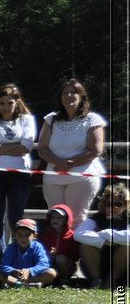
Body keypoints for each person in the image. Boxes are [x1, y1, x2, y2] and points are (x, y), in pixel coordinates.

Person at [36, 78, 107, 217]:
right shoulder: (51, 119)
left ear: (81, 96)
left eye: (73, 92)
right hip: (53, 178)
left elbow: (96, 150)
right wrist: (59, 163)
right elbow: (42, 148)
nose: (68, 96)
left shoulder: (92, 119)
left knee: (76, 219)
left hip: (82, 177)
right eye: (65, 93)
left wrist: (69, 164)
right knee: (55, 220)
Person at [0, 82, 37, 242]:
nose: (5, 107)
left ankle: (18, 251)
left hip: (19, 174)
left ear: (17, 103)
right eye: (2, 103)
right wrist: (14, 146)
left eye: (10, 103)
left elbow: (26, 146)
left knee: (16, 217)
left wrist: (1, 147)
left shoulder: (27, 120)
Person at [78, 184, 130, 288]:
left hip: (124, 268)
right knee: (85, 244)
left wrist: (105, 233)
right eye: (109, 204)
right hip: (99, 263)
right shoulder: (96, 218)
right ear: (104, 205)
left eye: (118, 204)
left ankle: (112, 281)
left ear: (125, 205)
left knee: (127, 247)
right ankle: (96, 280)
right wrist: (105, 242)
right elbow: (79, 234)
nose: (113, 207)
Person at [0, 216, 54, 287]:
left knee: (51, 273)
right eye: (19, 235)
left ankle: (25, 283)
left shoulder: (37, 247)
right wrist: (14, 271)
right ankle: (19, 283)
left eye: (27, 235)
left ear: (35, 236)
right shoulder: (11, 247)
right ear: (14, 235)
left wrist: (30, 271)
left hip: (32, 276)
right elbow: (2, 265)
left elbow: (44, 264)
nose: (23, 238)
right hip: (15, 276)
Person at [37, 203, 79, 285]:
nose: (55, 220)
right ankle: (48, 279)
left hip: (66, 266)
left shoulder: (72, 236)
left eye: (59, 217)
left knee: (61, 258)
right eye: (53, 217)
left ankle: (64, 280)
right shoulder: (43, 236)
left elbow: (76, 256)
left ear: (66, 220)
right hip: (49, 264)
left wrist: (59, 252)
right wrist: (49, 254)